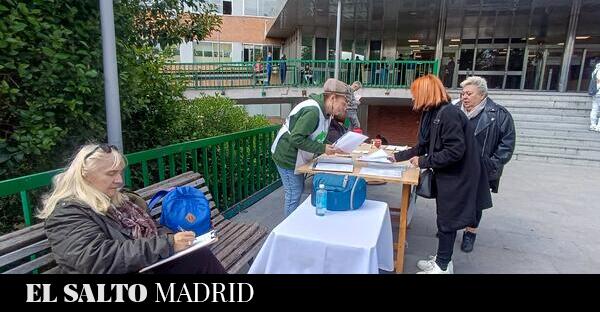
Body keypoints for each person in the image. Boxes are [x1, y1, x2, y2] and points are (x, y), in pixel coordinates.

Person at [38, 144, 226, 274]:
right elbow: (95, 259)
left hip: (143, 267)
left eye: (120, 172)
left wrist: (180, 240)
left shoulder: (118, 201)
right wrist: (168, 244)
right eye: (111, 173)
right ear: (84, 176)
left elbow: (152, 229)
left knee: (198, 257)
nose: (120, 180)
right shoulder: (67, 213)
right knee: (199, 262)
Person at [392, 75, 491, 274]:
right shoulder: (434, 112)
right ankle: (442, 259)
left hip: (459, 177)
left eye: (415, 94)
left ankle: (443, 267)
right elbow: (423, 145)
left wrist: (423, 161)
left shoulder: (448, 113)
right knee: (445, 218)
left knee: (448, 220)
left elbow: (455, 151)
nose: (413, 98)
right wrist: (397, 156)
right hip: (450, 175)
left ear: (425, 93)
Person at [271, 79, 350, 216]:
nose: (345, 108)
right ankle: (289, 230)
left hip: (297, 156)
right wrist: (323, 149)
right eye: (343, 103)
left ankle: (292, 225)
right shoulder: (313, 111)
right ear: (332, 98)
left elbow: (319, 135)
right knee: (293, 193)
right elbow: (296, 138)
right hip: (287, 156)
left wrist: (331, 147)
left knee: (297, 190)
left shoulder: (327, 112)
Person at [455, 76, 515, 252]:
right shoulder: (454, 111)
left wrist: (491, 164)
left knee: (475, 203)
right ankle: (450, 227)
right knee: (453, 198)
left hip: (481, 169)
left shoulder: (499, 115)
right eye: (463, 93)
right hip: (456, 167)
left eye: (469, 94)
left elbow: (507, 144)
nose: (464, 97)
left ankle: (470, 233)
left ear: (482, 95)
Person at [589, 63, 600, 132]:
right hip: (599, 92)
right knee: (595, 109)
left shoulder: (596, 70)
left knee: (594, 109)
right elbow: (598, 81)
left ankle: (593, 125)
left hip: (595, 93)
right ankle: (598, 127)